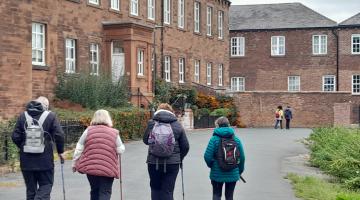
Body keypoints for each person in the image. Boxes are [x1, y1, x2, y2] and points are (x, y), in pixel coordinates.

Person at [12, 96, 65, 200]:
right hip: (44, 161)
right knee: (46, 186)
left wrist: (23, 147)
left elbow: (15, 136)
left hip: (26, 161)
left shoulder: (23, 116)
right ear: (45, 106)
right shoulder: (51, 116)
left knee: (31, 190)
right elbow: (59, 135)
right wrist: (60, 151)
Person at [72, 109, 125, 200]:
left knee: (94, 190)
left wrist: (74, 162)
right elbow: (120, 150)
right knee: (105, 191)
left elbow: (79, 147)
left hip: (91, 168)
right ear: (108, 118)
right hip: (108, 167)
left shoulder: (88, 130)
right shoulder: (114, 132)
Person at [143, 103, 190, 200]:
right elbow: (185, 146)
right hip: (172, 163)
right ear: (171, 111)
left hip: (153, 162)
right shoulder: (177, 125)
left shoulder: (152, 123)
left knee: (155, 189)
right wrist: (179, 158)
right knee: (168, 191)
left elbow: (145, 140)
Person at [204, 117, 245, 200]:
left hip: (217, 173)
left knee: (216, 195)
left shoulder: (214, 139)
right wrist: (239, 171)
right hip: (233, 172)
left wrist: (212, 165)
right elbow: (242, 158)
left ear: (217, 126)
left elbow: (207, 156)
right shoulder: (236, 140)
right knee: (229, 196)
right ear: (228, 125)